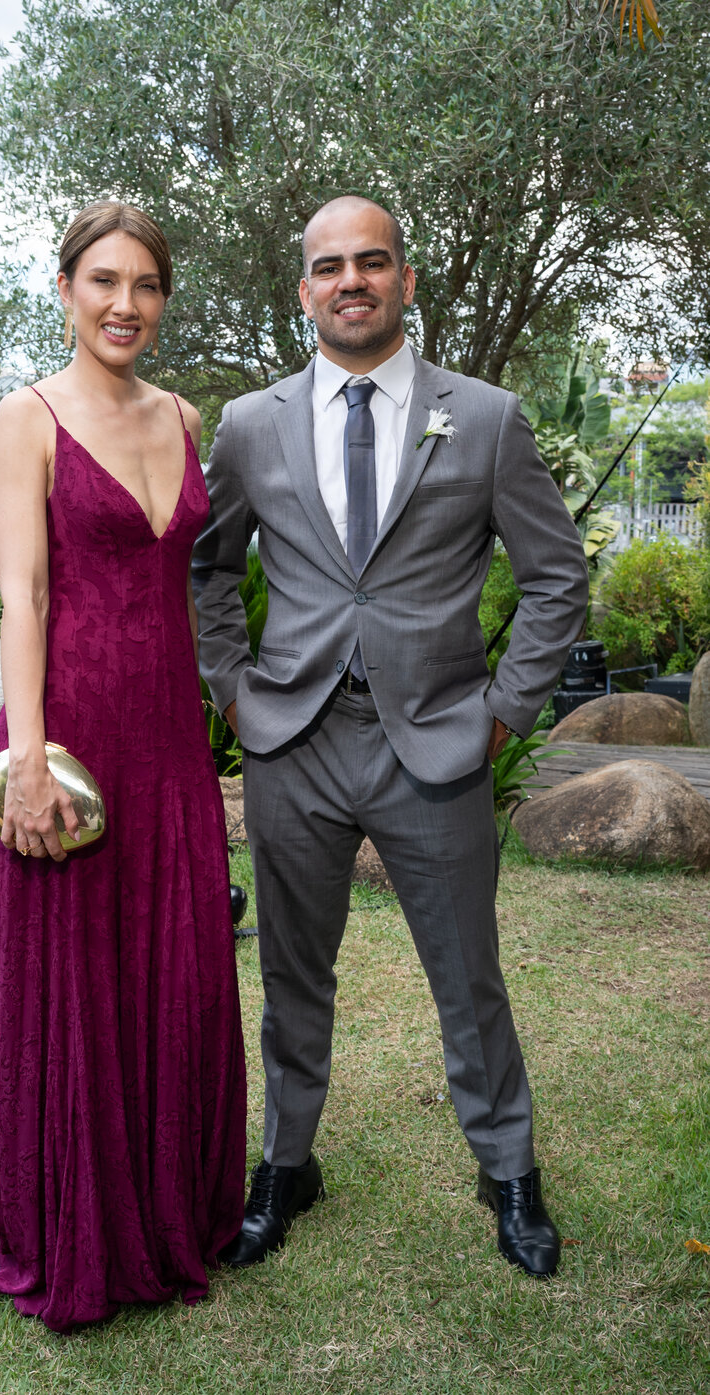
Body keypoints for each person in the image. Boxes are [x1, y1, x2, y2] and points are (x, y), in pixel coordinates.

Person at [191, 195, 589, 1280]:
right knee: (291, 974)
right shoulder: (251, 425)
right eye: (330, 266)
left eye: (372, 262)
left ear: (406, 281)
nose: (351, 281)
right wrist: (233, 691)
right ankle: (286, 1164)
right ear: (304, 290)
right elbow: (207, 569)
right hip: (293, 743)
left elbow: (556, 578)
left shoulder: (487, 417)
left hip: (440, 745)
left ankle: (509, 1172)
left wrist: (503, 712)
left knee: (470, 977)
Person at [0, 201, 247, 1331]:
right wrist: (29, 760)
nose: (125, 304)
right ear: (65, 289)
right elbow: (25, 597)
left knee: (177, 969)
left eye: (145, 284)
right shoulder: (27, 417)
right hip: (70, 741)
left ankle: (171, 1204)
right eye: (104, 281)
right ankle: (74, 1223)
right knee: (76, 986)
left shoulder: (184, 415)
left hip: (169, 740)